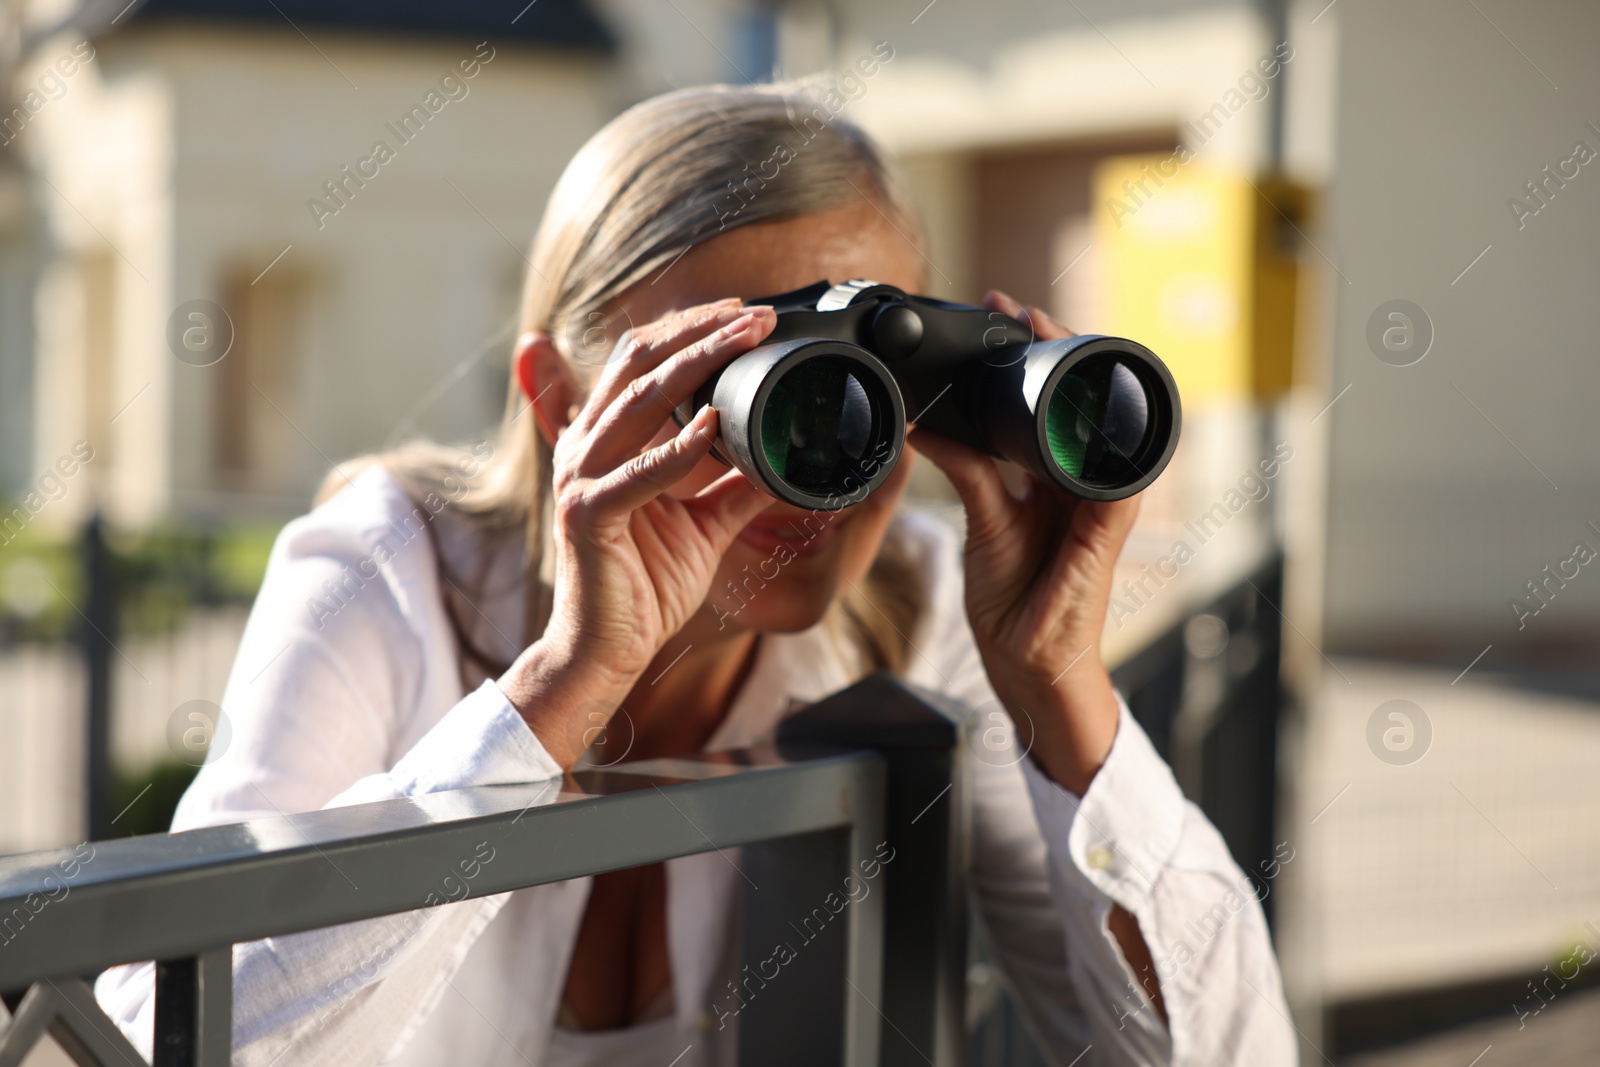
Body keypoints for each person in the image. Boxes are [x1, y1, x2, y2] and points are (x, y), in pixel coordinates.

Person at [97, 81, 1294, 1066]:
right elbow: (180, 1040)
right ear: (556, 399)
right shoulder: (383, 570)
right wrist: (564, 683)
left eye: (851, 400)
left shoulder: (918, 598)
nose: (808, 474)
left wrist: (1058, 690)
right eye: (747, 399)